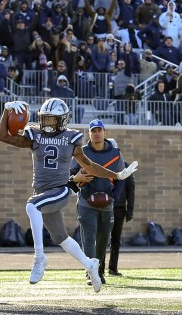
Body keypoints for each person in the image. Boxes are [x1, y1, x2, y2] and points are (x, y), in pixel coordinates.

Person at [0, 98, 138, 292]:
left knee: (32, 206)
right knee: (60, 237)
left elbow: (90, 166)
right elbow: (3, 136)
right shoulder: (35, 134)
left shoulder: (71, 138)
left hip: (61, 189)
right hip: (43, 191)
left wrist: (116, 175)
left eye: (52, 119)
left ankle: (39, 257)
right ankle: (90, 265)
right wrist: (6, 111)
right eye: (45, 119)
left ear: (62, 120)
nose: (47, 123)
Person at [70, 120, 125, 286]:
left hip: (107, 202)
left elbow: (121, 177)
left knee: (104, 239)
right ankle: (90, 271)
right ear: (89, 133)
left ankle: (99, 270)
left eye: (99, 130)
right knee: (88, 236)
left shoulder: (115, 153)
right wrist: (77, 178)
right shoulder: (81, 152)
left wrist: (113, 196)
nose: (96, 133)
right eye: (93, 130)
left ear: (104, 132)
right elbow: (72, 173)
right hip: (87, 200)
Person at [108, 158, 134, 277]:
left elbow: (130, 188)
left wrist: (130, 209)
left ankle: (113, 267)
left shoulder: (125, 166)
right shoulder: (101, 163)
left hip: (118, 206)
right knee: (101, 238)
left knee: (115, 238)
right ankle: (99, 267)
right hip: (104, 205)